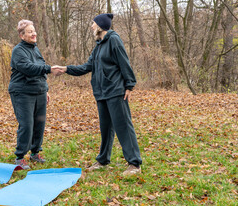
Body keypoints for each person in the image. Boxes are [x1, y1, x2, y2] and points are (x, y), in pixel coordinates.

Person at [52, 13, 142, 176]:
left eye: (93, 23)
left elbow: (124, 61)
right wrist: (66, 69)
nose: (91, 26)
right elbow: (87, 67)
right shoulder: (98, 45)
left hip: (115, 91)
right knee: (106, 128)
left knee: (123, 126)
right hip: (101, 93)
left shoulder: (114, 40)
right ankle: (103, 160)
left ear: (101, 26)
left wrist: (129, 84)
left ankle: (134, 163)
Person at [9, 19, 60, 169]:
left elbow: (40, 69)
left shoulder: (35, 49)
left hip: (39, 92)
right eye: (30, 32)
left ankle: (35, 153)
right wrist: (49, 69)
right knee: (27, 125)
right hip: (22, 92)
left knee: (39, 123)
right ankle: (20, 157)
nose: (34, 34)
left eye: (34, 31)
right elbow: (29, 68)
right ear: (22, 35)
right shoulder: (18, 51)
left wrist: (46, 89)